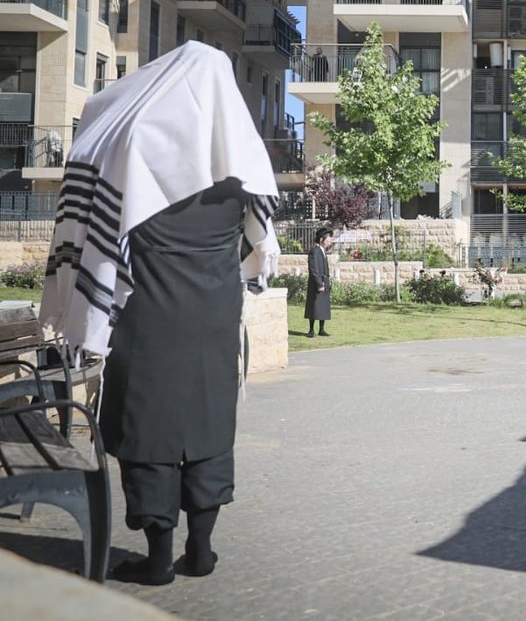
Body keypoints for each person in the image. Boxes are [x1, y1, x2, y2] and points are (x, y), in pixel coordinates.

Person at [39, 42, 279, 586]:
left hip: (148, 317)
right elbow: (258, 236)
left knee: (147, 429)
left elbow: (99, 223)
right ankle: (201, 551)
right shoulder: (240, 160)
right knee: (209, 425)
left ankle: (157, 558)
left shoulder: (135, 145)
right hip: (214, 317)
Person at [305, 228, 333, 337]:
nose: (329, 242)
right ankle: (311, 330)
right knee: (314, 306)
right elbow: (313, 269)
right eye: (328, 240)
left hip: (324, 281)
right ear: (321, 239)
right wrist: (319, 283)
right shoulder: (314, 251)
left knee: (323, 306)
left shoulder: (323, 251)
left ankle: (321, 329)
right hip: (316, 283)